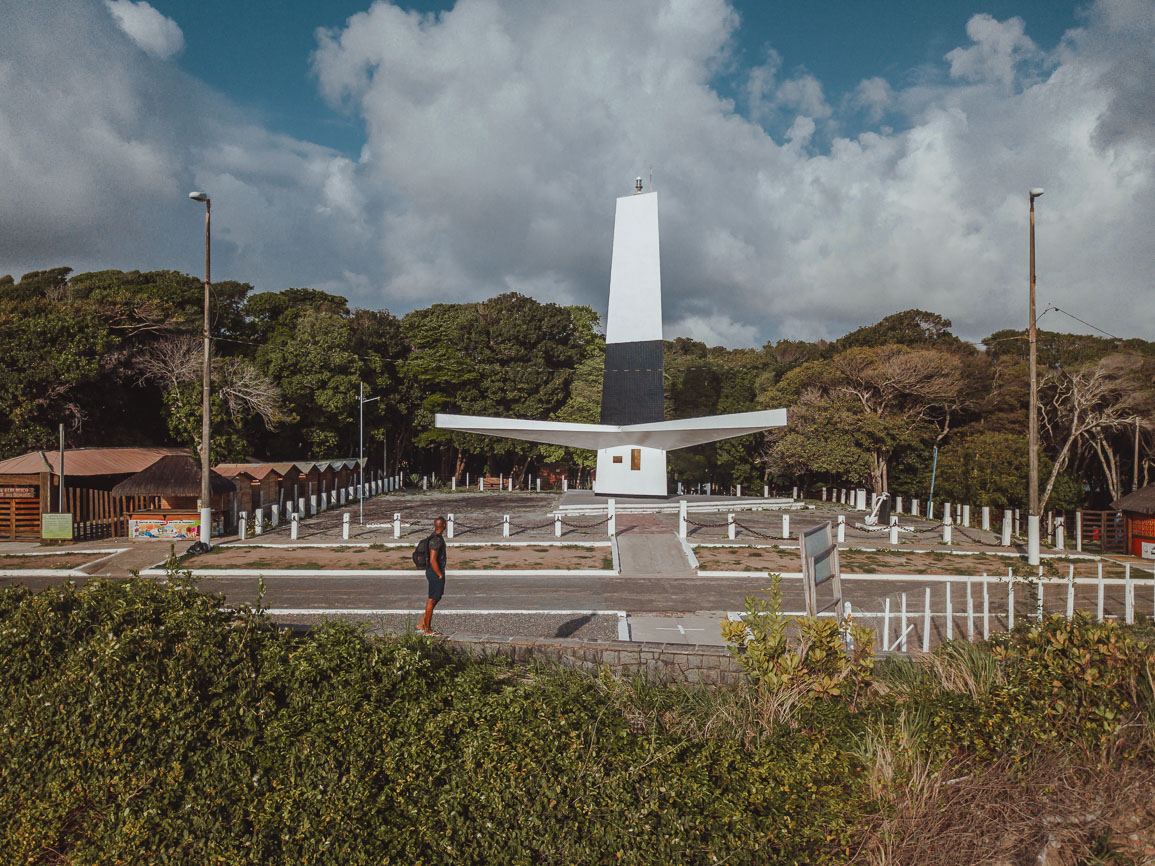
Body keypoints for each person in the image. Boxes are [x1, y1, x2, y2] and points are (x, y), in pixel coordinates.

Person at [417, 516, 447, 636]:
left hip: (432, 571)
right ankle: (427, 629)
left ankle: (422, 623)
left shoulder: (432, 536)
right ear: (444, 525)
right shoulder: (437, 540)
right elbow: (433, 559)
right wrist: (439, 574)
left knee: (436, 598)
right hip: (435, 571)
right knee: (432, 599)